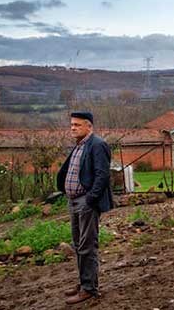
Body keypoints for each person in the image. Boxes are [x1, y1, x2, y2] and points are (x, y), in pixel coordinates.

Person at [56, 111, 114, 305]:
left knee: (87, 245)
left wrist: (90, 199)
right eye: (72, 124)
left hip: (86, 202)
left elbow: (102, 175)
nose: (73, 128)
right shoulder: (79, 146)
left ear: (89, 126)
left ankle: (89, 289)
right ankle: (84, 283)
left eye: (77, 125)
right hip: (73, 201)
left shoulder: (98, 145)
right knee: (79, 245)